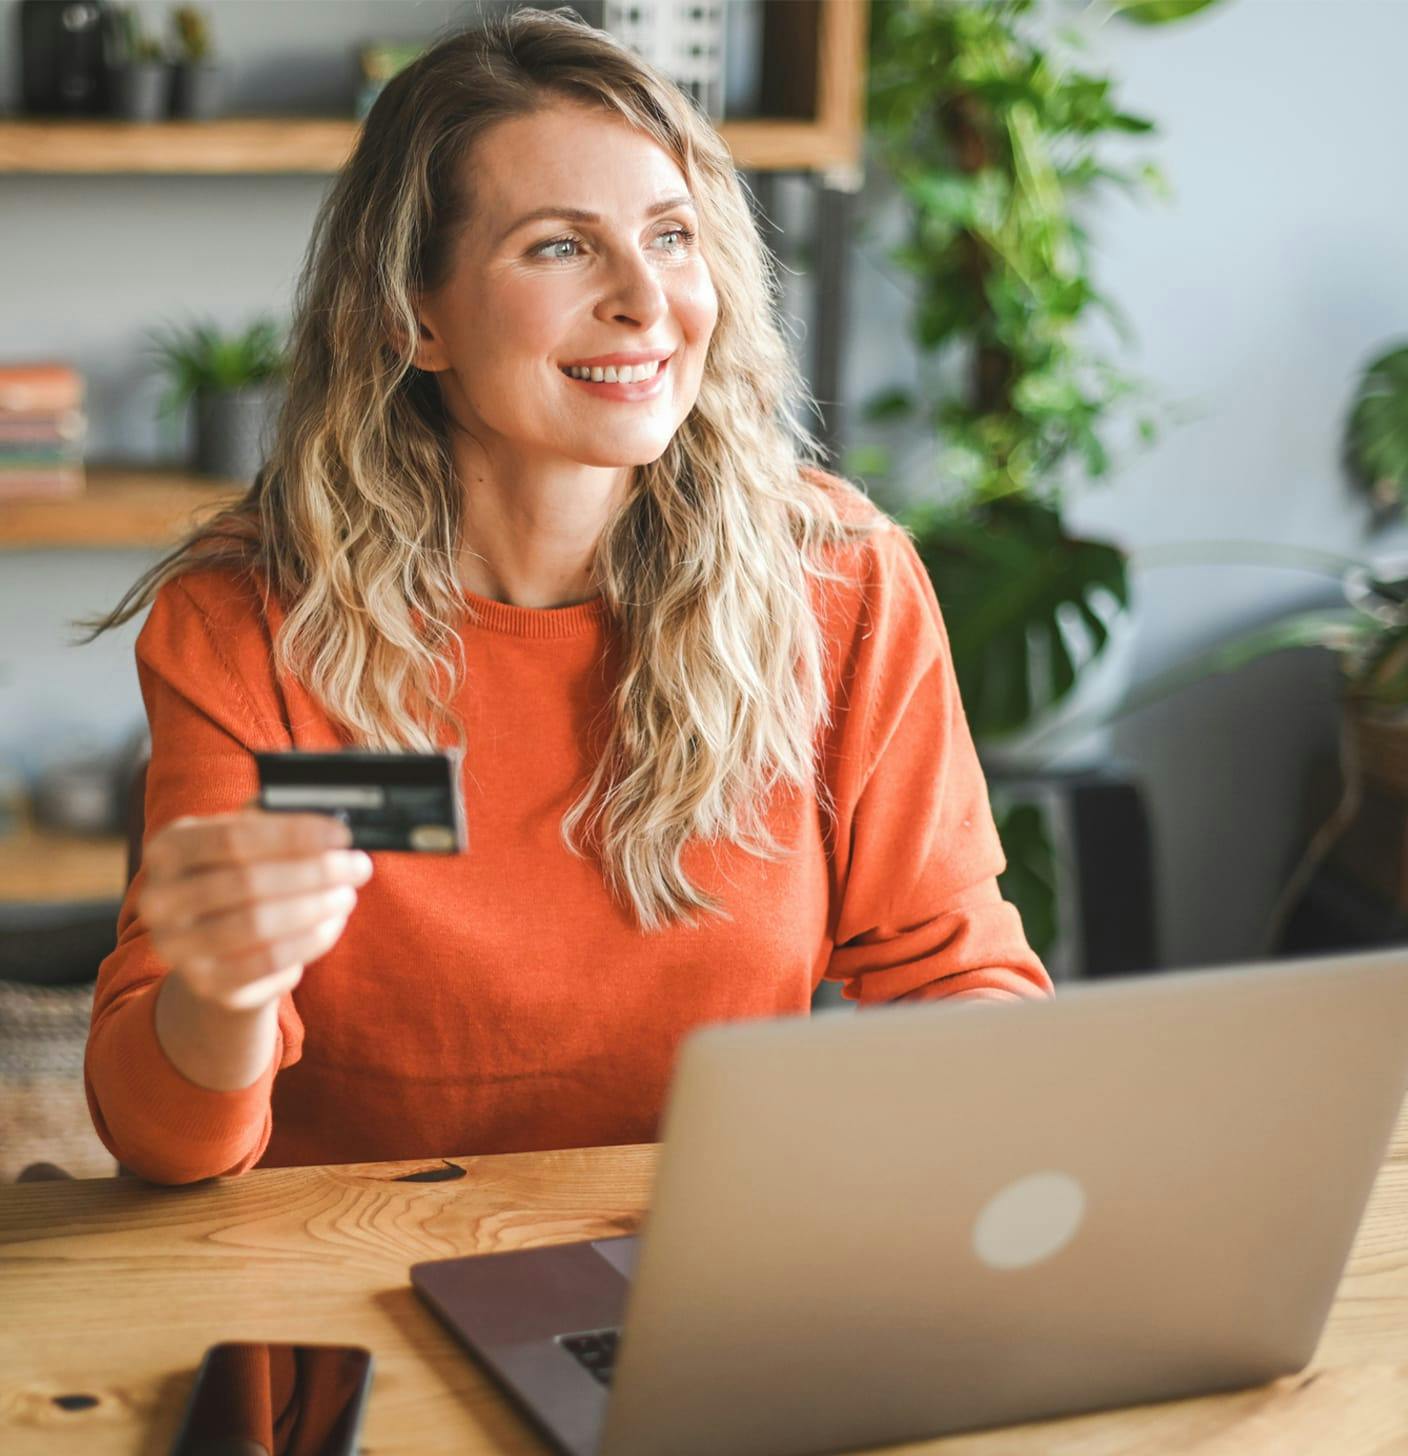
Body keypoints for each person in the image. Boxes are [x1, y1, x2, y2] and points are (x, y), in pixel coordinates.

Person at [79, 8, 1052, 1187]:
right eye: (559, 246)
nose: (647, 300)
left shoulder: (839, 577)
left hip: (706, 1276)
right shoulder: (244, 621)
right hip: (349, 1298)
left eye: (672, 236)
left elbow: (957, 976)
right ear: (414, 317)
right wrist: (223, 986)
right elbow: (167, 1144)